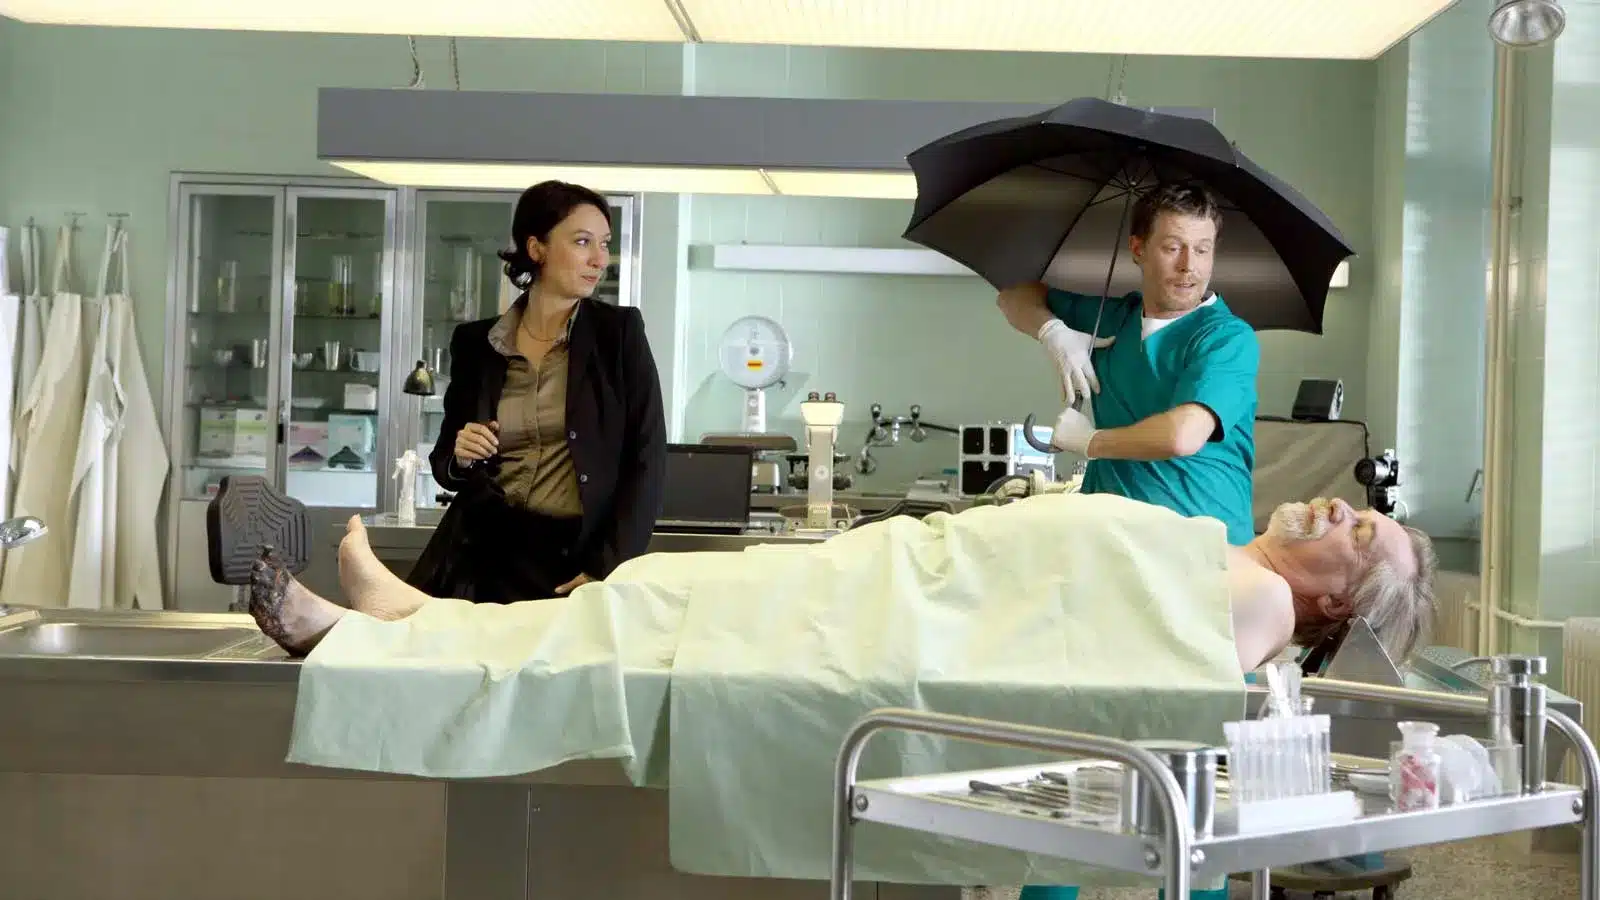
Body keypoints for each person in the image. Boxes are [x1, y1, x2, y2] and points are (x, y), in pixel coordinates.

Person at [249, 494, 1437, 675]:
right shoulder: (1239, 558)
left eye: (1361, 534)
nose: (1340, 510)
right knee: (654, 595)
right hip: (915, 575)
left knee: (655, 610)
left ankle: (374, 636)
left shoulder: (1261, 603)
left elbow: (1098, 652)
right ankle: (424, 618)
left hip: (915, 617)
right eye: (1354, 505)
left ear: (1339, 603)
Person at [412, 180, 668, 603]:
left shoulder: (619, 334)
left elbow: (648, 459)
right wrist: (461, 454)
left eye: (604, 243)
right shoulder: (477, 344)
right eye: (582, 242)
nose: (599, 258)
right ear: (536, 248)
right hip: (485, 554)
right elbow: (446, 464)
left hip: (573, 557)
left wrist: (607, 566)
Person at [997, 182, 1260, 547]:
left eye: (1203, 250)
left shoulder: (1226, 338)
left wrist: (1091, 441)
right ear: (1138, 249)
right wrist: (1052, 332)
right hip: (1112, 541)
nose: (1189, 266)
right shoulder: (1112, 319)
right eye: (1173, 248)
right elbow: (1013, 298)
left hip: (1203, 543)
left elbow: (1182, 435)